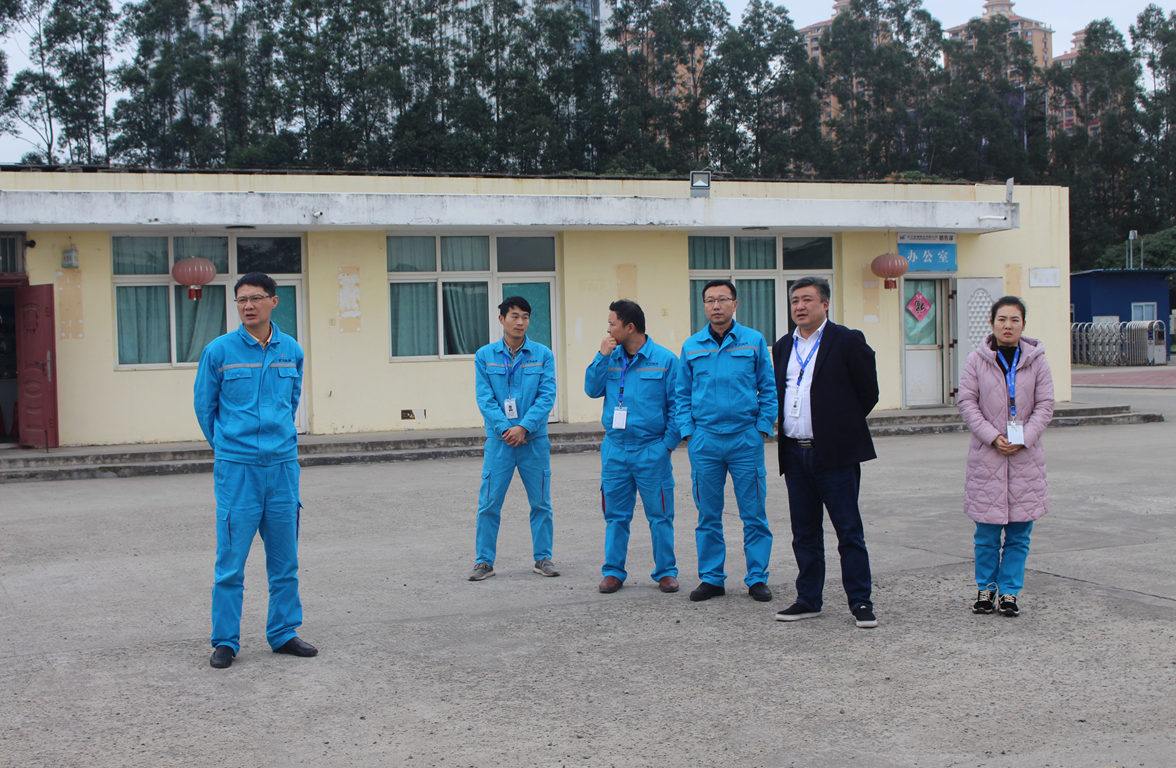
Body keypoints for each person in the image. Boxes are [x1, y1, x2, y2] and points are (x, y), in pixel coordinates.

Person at [194, 272, 317, 669]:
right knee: (230, 562)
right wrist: (230, 447)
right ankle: (225, 641)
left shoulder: (291, 350)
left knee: (285, 560)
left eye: (256, 298)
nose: (248, 305)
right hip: (238, 471)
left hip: (282, 469)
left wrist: (277, 442)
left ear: (274, 302)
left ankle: (283, 632)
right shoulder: (219, 351)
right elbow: (205, 407)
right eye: (241, 299)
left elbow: (291, 401)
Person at [771, 276, 880, 629]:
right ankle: (808, 599)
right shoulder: (783, 346)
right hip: (794, 453)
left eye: (807, 299)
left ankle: (860, 601)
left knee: (848, 531)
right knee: (804, 532)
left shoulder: (847, 340)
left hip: (834, 455)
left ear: (825, 303)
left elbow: (868, 392)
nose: (799, 306)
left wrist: (839, 427)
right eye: (795, 301)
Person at [677, 280, 777, 603]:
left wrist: (761, 429)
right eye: (709, 300)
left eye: (722, 299)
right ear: (703, 306)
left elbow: (768, 387)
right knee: (708, 514)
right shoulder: (691, 345)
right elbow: (681, 393)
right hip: (705, 441)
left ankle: (757, 577)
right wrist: (689, 432)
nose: (716, 306)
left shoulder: (753, 341)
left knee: (754, 513)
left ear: (735, 304)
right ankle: (711, 578)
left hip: (745, 439)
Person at [957, 296, 1054, 617]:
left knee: (1019, 536)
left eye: (1014, 319)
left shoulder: (1037, 361)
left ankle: (1009, 592)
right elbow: (967, 403)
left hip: (1026, 460)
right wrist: (992, 436)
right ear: (992, 323)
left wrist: (1023, 438)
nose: (1008, 325)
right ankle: (986, 589)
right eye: (1002, 319)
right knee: (986, 535)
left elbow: (1045, 405)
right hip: (988, 458)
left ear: (1023, 324)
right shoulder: (976, 360)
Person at [585, 300, 681, 594]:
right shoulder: (609, 357)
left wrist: (666, 446)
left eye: (612, 323)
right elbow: (591, 389)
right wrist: (601, 356)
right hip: (616, 449)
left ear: (629, 327)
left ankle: (666, 572)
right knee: (615, 515)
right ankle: (613, 572)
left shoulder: (665, 360)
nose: (608, 329)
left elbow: (678, 407)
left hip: (651, 449)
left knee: (660, 515)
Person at [467, 297, 560, 581]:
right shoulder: (485, 356)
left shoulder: (543, 354)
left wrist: (524, 427)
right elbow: (484, 398)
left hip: (533, 440)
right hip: (500, 442)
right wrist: (506, 429)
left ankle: (543, 558)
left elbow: (547, 396)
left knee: (541, 502)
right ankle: (484, 562)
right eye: (515, 316)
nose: (520, 322)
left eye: (525, 317)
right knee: (489, 503)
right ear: (502, 319)